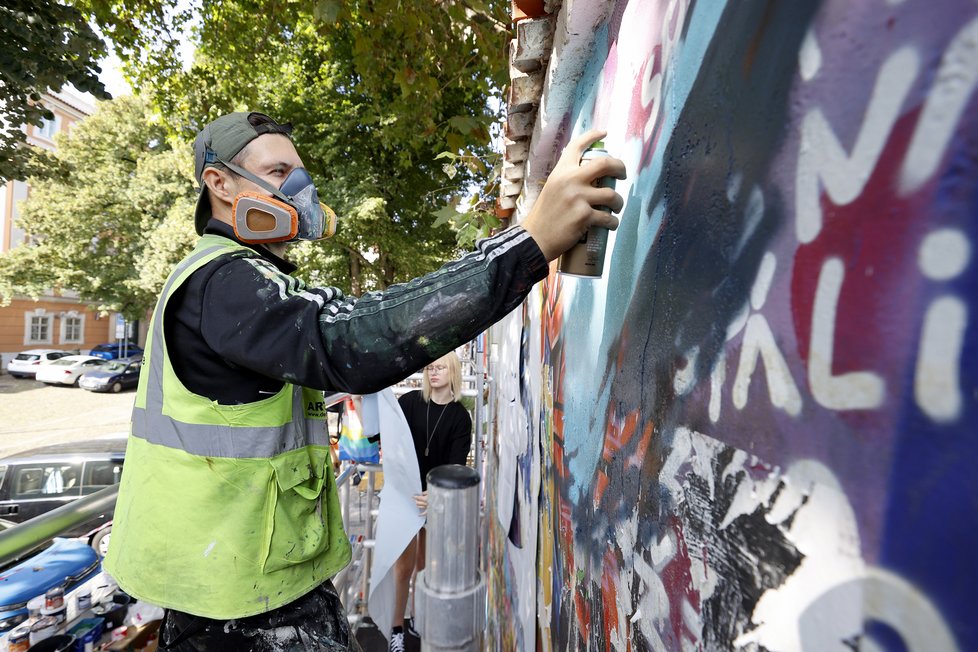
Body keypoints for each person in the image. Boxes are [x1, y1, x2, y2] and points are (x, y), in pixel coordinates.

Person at [103, 111, 625, 651]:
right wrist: (530, 242)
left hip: (247, 588)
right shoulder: (225, 280)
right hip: (235, 608)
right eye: (280, 171)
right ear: (219, 183)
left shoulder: (245, 281)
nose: (300, 189)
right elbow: (348, 340)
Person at [389, 352, 471, 651]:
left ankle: (417, 617)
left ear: (453, 371)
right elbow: (387, 438)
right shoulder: (409, 402)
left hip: (435, 500)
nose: (433, 372)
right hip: (407, 496)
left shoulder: (460, 416)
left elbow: (456, 464)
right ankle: (396, 629)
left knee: (426, 566)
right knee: (403, 567)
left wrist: (436, 493)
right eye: (429, 367)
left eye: (440, 367)